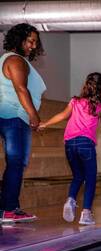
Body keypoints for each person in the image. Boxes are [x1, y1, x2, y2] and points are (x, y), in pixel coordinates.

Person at [39, 72, 101, 225]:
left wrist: (45, 124)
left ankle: (71, 199)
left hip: (69, 144)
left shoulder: (75, 101)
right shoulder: (99, 106)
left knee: (78, 176)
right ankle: (86, 213)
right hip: (85, 144)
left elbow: (62, 115)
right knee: (91, 178)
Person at [0, 23, 46, 223]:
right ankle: (9, 209)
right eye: (30, 41)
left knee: (16, 162)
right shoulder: (15, 60)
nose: (33, 46)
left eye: (35, 42)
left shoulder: (13, 60)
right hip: (15, 117)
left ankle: (7, 207)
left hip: (12, 117)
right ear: (19, 39)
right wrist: (33, 115)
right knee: (17, 162)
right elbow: (21, 90)